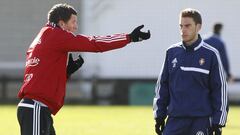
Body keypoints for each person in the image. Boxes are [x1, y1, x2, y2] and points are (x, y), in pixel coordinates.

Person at [17, 3, 151, 135]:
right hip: (35, 108)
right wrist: (129, 37)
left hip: (36, 108)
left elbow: (43, 74)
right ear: (62, 23)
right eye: (73, 22)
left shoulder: (44, 35)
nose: (75, 27)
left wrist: (66, 72)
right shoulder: (56, 35)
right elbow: (94, 43)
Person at [153, 8, 228, 135]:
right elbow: (162, 86)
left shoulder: (211, 54)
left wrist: (218, 122)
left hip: (201, 121)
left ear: (198, 27)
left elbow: (220, 89)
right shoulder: (171, 52)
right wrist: (159, 116)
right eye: (181, 26)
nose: (183, 30)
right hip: (175, 120)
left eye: (187, 26)